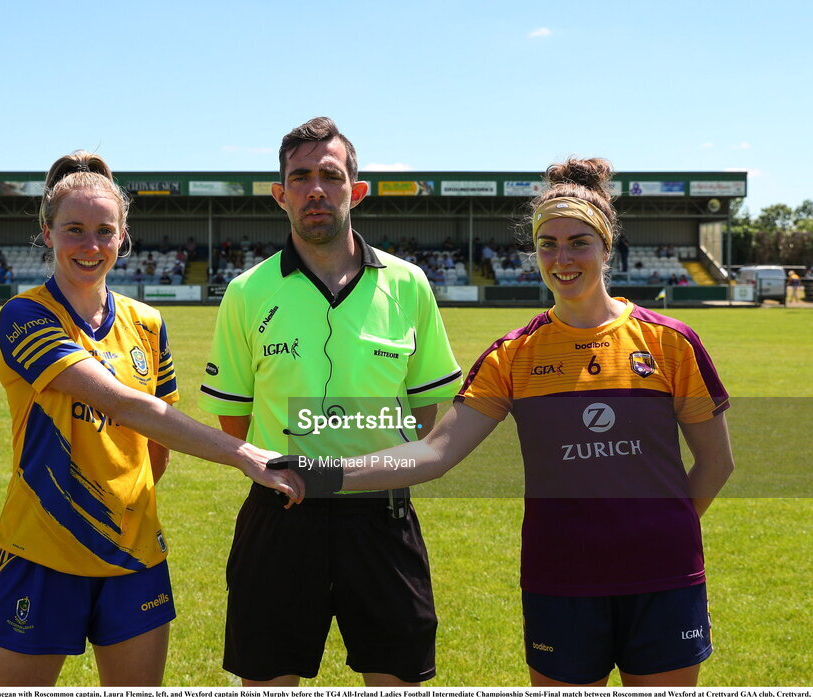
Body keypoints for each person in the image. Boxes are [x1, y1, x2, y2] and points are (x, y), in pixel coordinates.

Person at [272, 157, 735, 688]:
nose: (562, 258)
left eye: (579, 242)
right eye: (548, 244)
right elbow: (435, 453)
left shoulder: (669, 342)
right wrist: (325, 472)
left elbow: (717, 463)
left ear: (607, 247)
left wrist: (659, 528)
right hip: (561, 578)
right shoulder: (513, 355)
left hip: (663, 576)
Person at [0, 151, 301, 687]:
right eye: (74, 230)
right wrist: (246, 455)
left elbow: (157, 444)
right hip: (40, 551)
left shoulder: (148, 323)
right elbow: (128, 406)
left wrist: (123, 509)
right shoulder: (25, 315)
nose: (90, 246)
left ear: (123, 235)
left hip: (135, 557)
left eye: (104, 231)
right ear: (47, 233)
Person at [198, 117, 462, 687]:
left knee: (395, 677)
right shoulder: (246, 292)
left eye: (330, 175)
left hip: (381, 516)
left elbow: (423, 410)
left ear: (355, 190)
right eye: (300, 177)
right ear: (280, 194)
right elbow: (234, 417)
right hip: (282, 513)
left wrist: (366, 468)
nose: (315, 189)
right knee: (269, 679)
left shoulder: (409, 284)